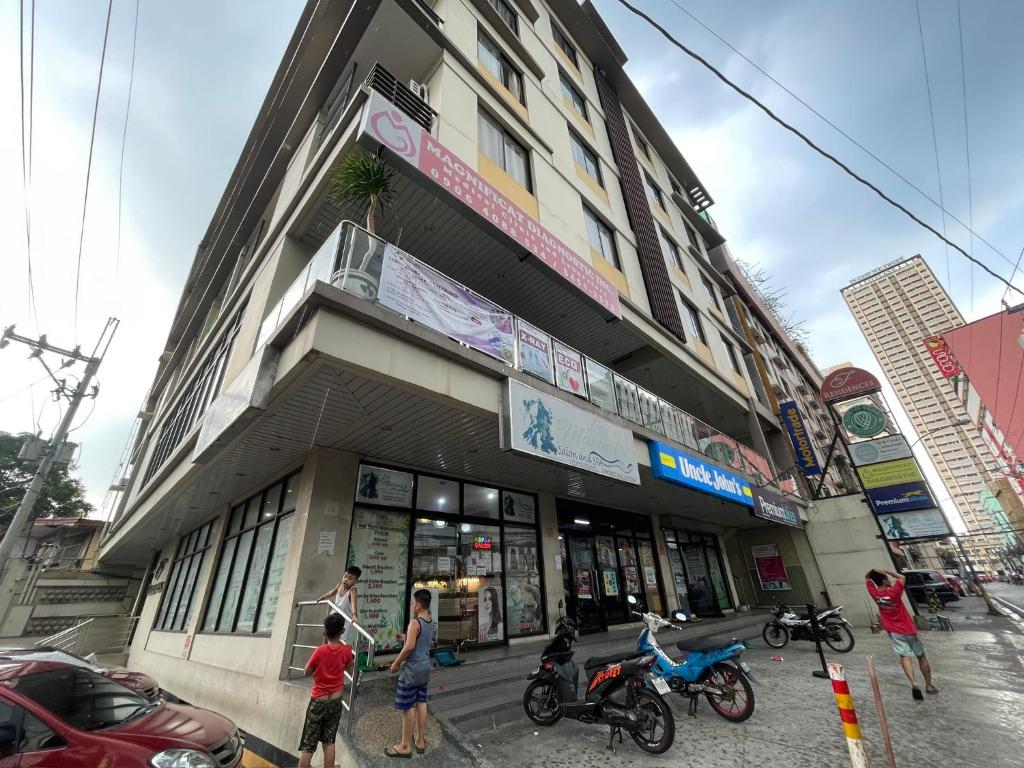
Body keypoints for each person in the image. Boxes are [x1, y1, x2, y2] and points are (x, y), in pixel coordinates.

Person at [866, 569, 938, 699]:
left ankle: (914, 683)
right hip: (908, 629)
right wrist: (886, 571)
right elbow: (902, 577)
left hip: (894, 632)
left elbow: (867, 578)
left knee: (905, 656)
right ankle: (929, 685)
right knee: (921, 656)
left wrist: (872, 573)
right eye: (887, 578)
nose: (890, 580)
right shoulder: (894, 592)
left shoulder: (875, 593)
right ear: (884, 581)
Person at [297, 612, 354, 768]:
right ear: (342, 631)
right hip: (335, 701)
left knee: (309, 744)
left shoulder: (319, 651)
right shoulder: (347, 650)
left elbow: (306, 672)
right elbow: (349, 668)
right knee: (329, 741)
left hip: (318, 702)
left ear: (324, 632)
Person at [386, 589, 436, 758]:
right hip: (424, 669)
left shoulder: (415, 622)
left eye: (414, 603)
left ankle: (405, 745)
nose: (413, 606)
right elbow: (418, 639)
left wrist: (396, 663)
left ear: (419, 605)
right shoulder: (430, 621)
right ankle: (420, 740)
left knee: (408, 706)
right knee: (422, 701)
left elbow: (409, 647)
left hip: (412, 670)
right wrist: (406, 637)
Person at [318, 566, 361, 643]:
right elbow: (331, 592)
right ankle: (324, 651)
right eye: (345, 576)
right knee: (326, 635)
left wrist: (354, 615)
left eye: (350, 578)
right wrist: (322, 597)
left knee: (338, 641)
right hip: (333, 617)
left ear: (355, 582)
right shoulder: (340, 585)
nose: (346, 579)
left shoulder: (352, 589)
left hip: (343, 620)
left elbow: (354, 602)